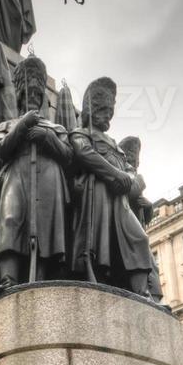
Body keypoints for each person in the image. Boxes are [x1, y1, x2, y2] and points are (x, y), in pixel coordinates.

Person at [0, 56, 72, 288]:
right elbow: (1, 150)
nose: (33, 99)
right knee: (10, 219)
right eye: (29, 94)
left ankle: (40, 279)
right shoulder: (7, 125)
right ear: (20, 95)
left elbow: (68, 156)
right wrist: (23, 124)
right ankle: (8, 278)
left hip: (49, 178)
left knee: (46, 229)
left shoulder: (55, 128)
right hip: (17, 174)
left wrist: (47, 137)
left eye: (38, 95)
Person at [70, 78, 153, 296]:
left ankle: (142, 293)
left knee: (139, 238)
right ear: (93, 110)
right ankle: (97, 278)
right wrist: (115, 174)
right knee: (99, 244)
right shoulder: (81, 133)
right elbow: (83, 152)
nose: (108, 115)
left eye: (110, 111)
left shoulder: (115, 143)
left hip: (120, 201)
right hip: (97, 196)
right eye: (104, 110)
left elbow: (133, 173)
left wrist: (131, 180)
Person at [119, 136, 163, 303]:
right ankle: (145, 294)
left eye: (136, 155)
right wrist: (140, 182)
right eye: (130, 153)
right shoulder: (126, 174)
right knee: (142, 254)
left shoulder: (134, 174)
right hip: (123, 224)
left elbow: (145, 217)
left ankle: (155, 299)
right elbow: (130, 192)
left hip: (135, 224)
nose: (134, 159)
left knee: (152, 265)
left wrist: (148, 206)